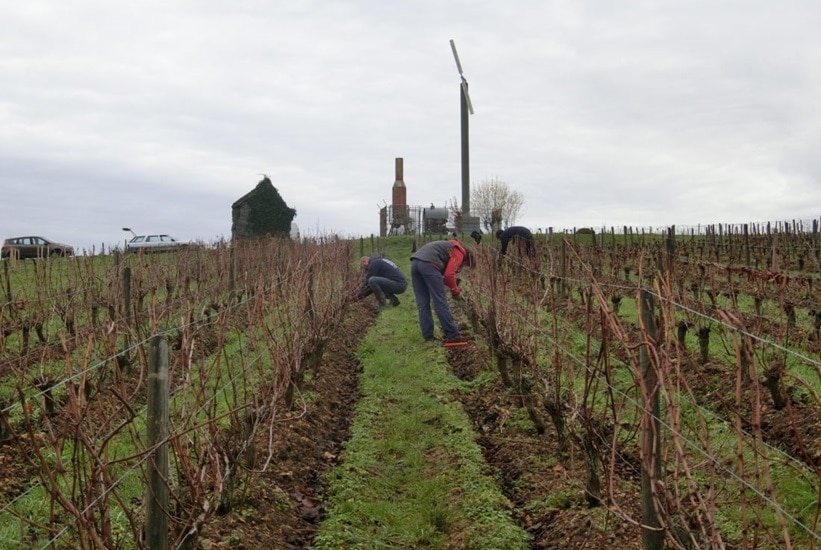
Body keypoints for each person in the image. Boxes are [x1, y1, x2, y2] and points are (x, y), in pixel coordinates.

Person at [410, 239, 473, 343]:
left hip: (415, 263)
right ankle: (453, 335)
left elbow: (441, 277)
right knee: (440, 302)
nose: (461, 268)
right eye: (465, 265)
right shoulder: (459, 253)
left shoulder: (447, 246)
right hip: (429, 264)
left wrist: (452, 284)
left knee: (422, 303)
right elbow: (448, 275)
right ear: (467, 260)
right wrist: (455, 291)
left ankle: (428, 336)